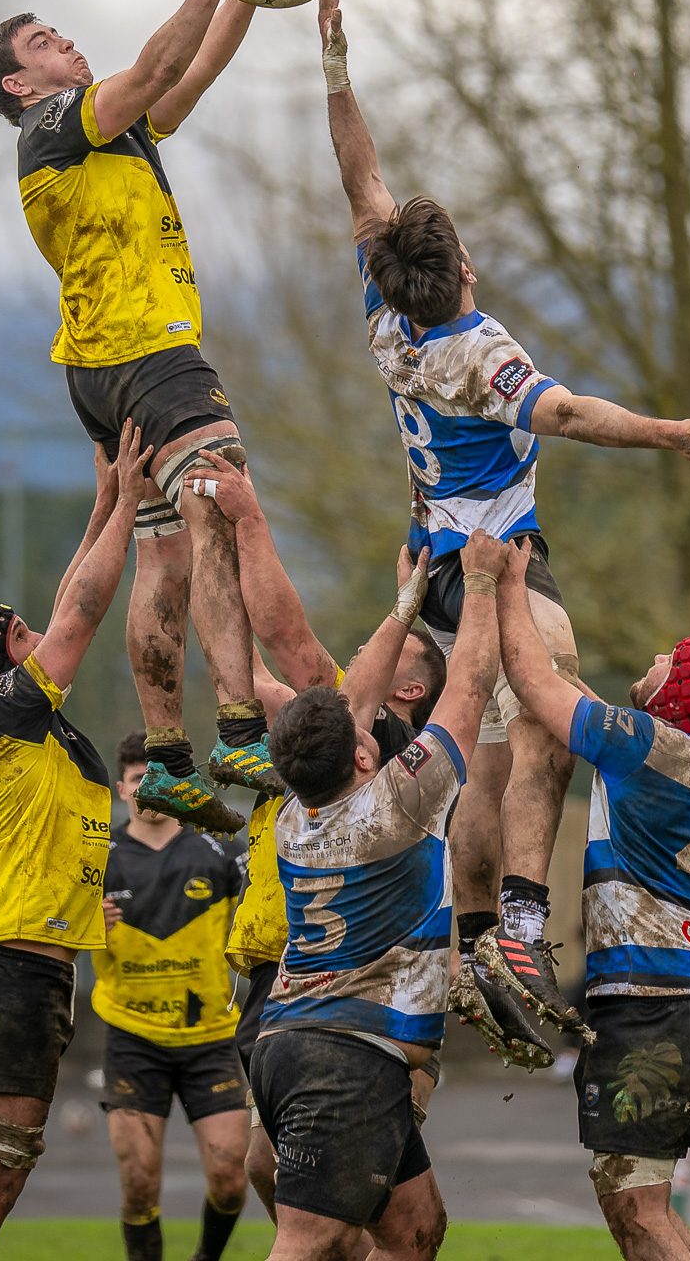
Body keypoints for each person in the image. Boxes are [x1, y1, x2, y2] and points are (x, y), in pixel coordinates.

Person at [314, 0, 690, 1054]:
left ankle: (474, 942)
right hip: (492, 554)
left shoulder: (386, 311)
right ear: (463, 265)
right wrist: (674, 432)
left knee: (482, 748)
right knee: (549, 711)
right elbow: (565, 413)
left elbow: (361, 177)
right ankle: (518, 925)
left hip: (427, 555)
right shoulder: (478, 349)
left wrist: (334, 66)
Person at [0, 0, 303, 833]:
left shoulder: (109, 130)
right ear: (18, 82)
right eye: (44, 42)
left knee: (161, 543)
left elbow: (186, 79)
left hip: (98, 372)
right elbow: (156, 67)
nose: (66, 42)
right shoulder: (51, 124)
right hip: (147, 353)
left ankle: (166, 759)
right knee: (221, 508)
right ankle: (239, 729)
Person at [0, 423, 152, 1261]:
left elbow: (67, 601)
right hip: (13, 973)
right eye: (22, 632)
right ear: (6, 660)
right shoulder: (10, 712)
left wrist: (106, 500)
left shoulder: (12, 717)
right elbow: (81, 612)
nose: (40, 632)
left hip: (6, 968)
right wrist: (132, 509)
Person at [184, 450, 454, 1208]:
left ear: (409, 688)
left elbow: (288, 638)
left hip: (352, 987)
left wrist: (246, 518)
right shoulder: (336, 733)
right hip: (292, 970)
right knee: (276, 1170)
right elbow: (249, 671)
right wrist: (204, 551)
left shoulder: (386, 743)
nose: (359, 657)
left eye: (377, 653)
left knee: (334, 1191)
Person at [249, 529, 510, 1261]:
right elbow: (468, 687)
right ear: (364, 754)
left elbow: (352, 703)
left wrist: (406, 604)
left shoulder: (295, 814)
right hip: (344, 1057)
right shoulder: (400, 802)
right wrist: (480, 582)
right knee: (309, 1245)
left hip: (301, 1042)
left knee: (415, 1231)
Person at [496, 537, 690, 1261]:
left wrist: (508, 583)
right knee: (648, 1204)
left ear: (676, 694)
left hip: (656, 1003)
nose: (654, 659)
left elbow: (535, 682)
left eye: (668, 660)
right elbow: (577, 700)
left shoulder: (643, 743)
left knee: (637, 1213)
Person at [95, 731, 250, 1261]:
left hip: (210, 1036)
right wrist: (87, 923)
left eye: (158, 778)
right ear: (122, 789)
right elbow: (56, 927)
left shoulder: (220, 847)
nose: (149, 790)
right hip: (132, 1036)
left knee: (231, 1176)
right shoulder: (99, 859)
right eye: (139, 780)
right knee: (139, 1183)